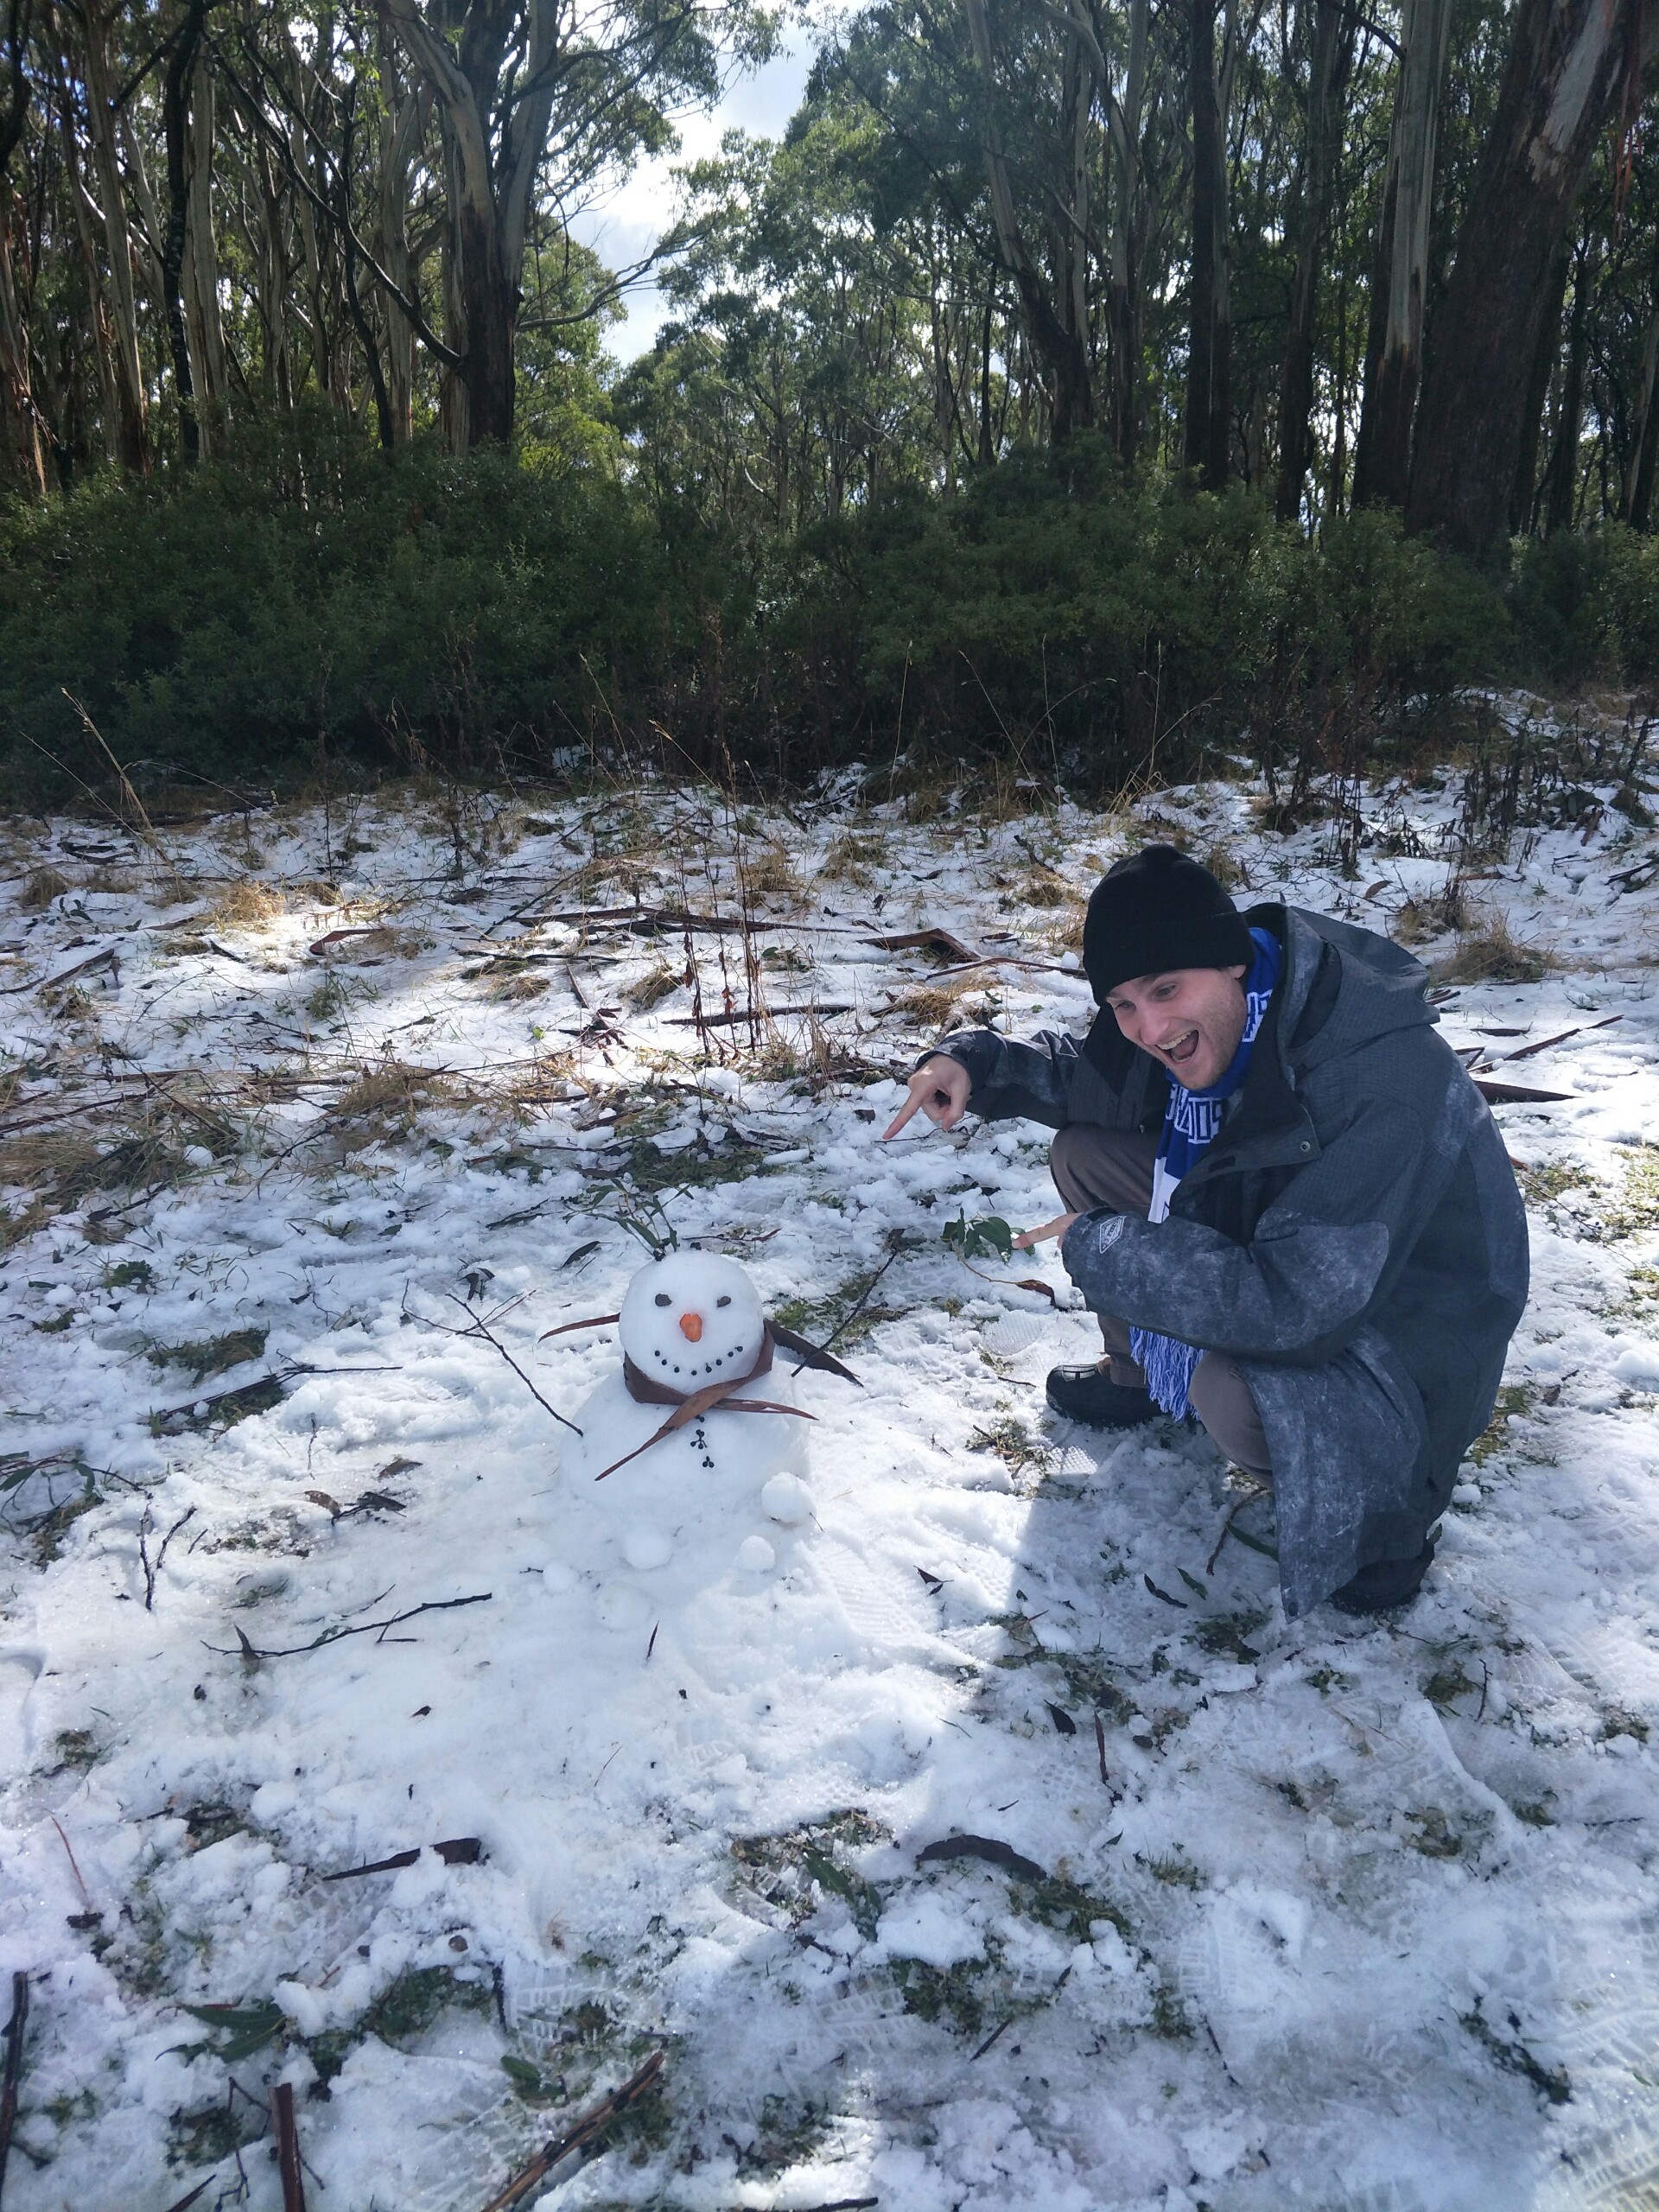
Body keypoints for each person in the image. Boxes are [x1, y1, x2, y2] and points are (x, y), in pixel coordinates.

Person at [882, 844, 1529, 1618]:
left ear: (1230, 963)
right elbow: (1092, 1076)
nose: (1150, 1026)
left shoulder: (1379, 1079)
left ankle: (1382, 1522)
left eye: (1165, 989)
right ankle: (1142, 1376)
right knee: (1086, 1154)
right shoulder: (1228, 1018)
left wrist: (1108, 1247)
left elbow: (1295, 1308)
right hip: (1294, 1242)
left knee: (1232, 1392)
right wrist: (970, 1062)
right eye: (1123, 1003)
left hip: (1409, 1339)